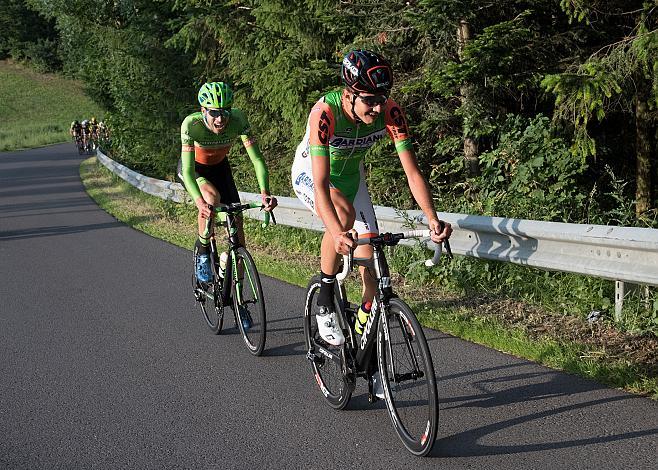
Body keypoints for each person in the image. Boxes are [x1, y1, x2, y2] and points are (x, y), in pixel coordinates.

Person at [291, 49, 452, 347]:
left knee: (376, 270)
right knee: (342, 218)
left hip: (354, 182)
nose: (378, 109)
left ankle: (367, 344)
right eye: (370, 100)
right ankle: (325, 297)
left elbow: (412, 172)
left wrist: (432, 218)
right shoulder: (325, 113)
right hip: (313, 177)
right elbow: (322, 181)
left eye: (381, 99)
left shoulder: (391, 112)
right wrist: (337, 234)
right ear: (349, 93)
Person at [177, 81, 277, 304]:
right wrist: (198, 201)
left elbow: (257, 159)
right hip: (195, 170)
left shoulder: (239, 120)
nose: (220, 119)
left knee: (238, 240)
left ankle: (239, 302)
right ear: (203, 111)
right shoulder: (191, 125)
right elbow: (187, 170)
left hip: (221, 169)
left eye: (224, 112)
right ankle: (203, 251)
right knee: (211, 199)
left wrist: (264, 192)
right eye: (214, 113)